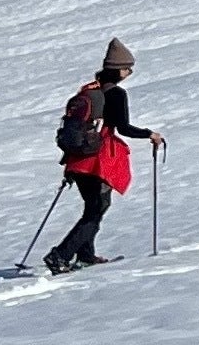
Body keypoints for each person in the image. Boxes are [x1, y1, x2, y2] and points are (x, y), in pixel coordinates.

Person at [47, 37, 162, 274]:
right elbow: (124, 129)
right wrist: (150, 134)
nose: (129, 72)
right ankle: (60, 255)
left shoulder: (91, 90)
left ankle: (86, 255)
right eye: (128, 67)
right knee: (97, 208)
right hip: (97, 160)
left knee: (93, 206)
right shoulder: (116, 95)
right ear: (119, 69)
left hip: (77, 159)